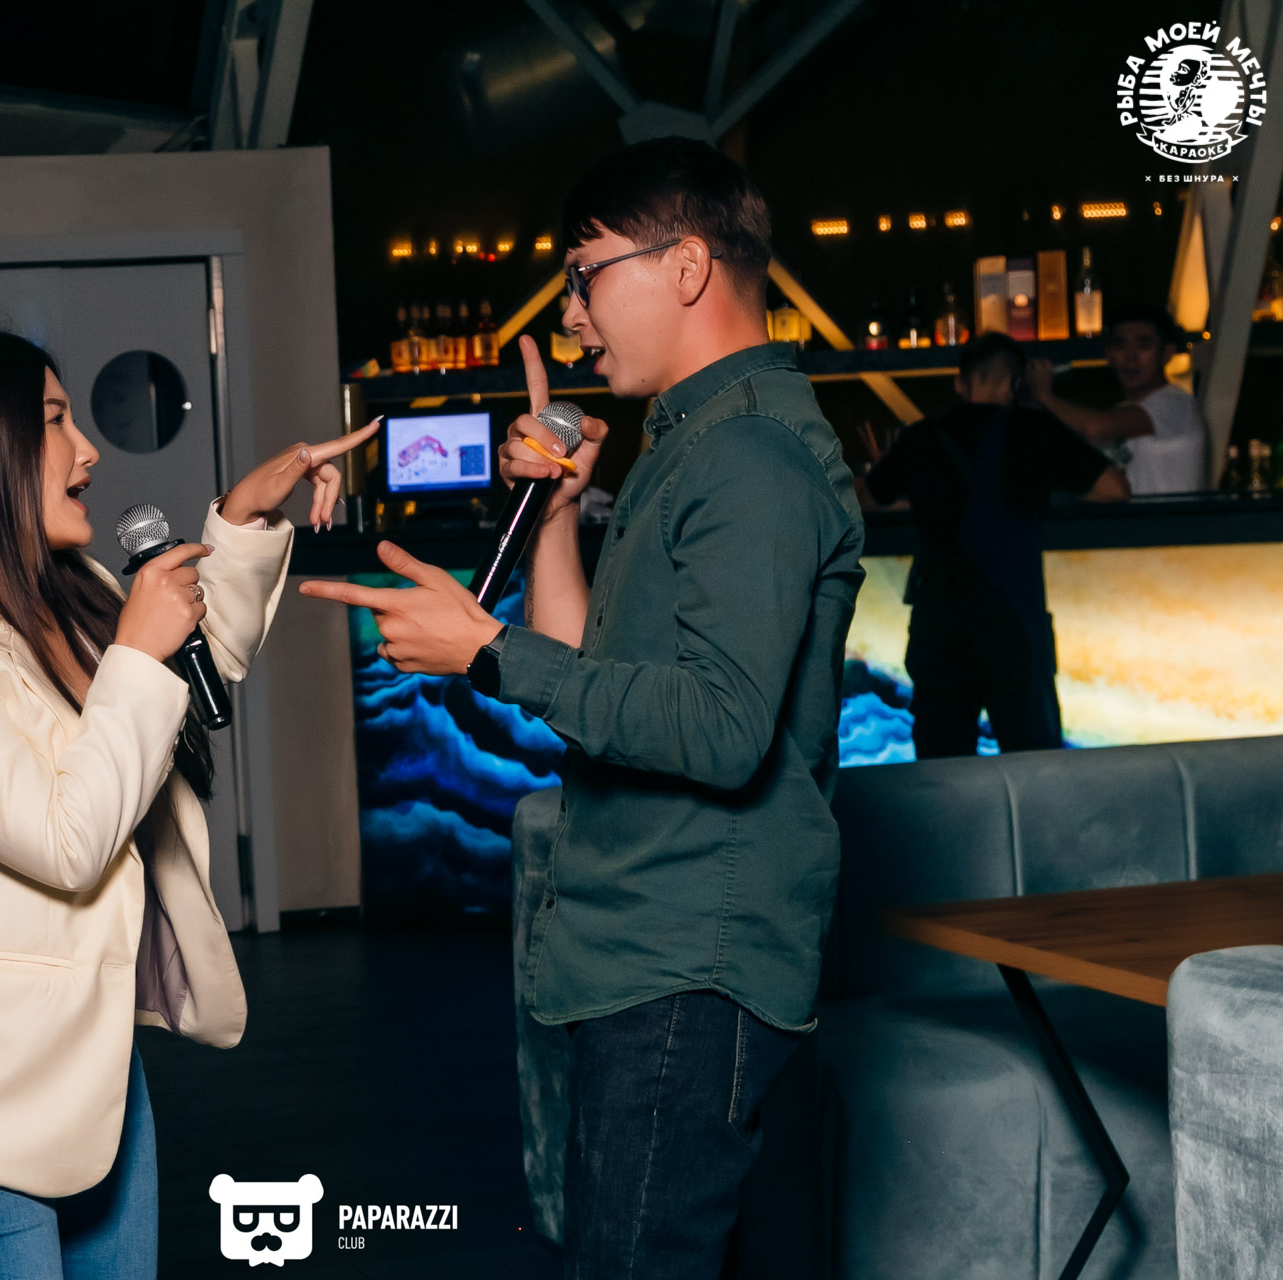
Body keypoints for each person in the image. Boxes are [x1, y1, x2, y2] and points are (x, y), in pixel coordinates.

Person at [301, 138, 864, 1277]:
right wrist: (557, 512)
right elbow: (587, 675)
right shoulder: (690, 441)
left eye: (585, 275)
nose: (570, 316)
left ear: (687, 267)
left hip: (689, 962)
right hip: (650, 950)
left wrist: (486, 648)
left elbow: (721, 729)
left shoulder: (748, 457)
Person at [0, 328, 374, 1278]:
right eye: (55, 421)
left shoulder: (63, 595)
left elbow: (180, 684)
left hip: (92, 1072)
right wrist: (138, 653)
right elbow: (69, 839)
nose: (88, 450)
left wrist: (240, 518)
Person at [860, 333, 1127, 758]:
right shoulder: (1036, 432)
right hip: (1013, 625)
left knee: (943, 768)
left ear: (960, 383)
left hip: (940, 627)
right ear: (1014, 384)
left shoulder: (921, 438)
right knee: (1033, 764)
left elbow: (867, 497)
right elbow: (1115, 488)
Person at [1025, 301, 1206, 494]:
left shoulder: (1175, 404)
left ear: (1167, 353)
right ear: (1109, 354)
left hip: (1170, 514)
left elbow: (1095, 429)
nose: (1130, 357)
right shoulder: (1125, 411)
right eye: (1120, 346)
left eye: (1143, 346)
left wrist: (1044, 395)